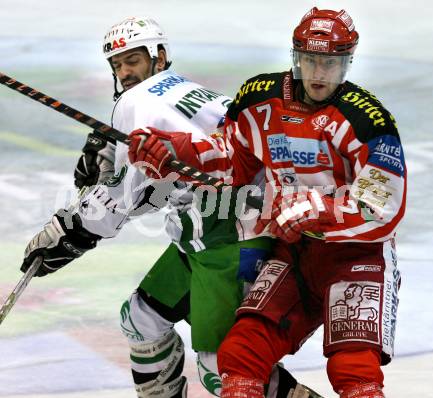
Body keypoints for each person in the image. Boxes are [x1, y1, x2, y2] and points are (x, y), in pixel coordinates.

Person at [20, 16, 320, 398]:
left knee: (223, 368)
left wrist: (66, 232)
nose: (125, 72)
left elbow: (126, 196)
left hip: (228, 238)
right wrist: (114, 150)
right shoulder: (184, 91)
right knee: (142, 320)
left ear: (159, 56)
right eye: (117, 65)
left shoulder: (135, 102)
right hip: (212, 229)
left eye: (133, 60)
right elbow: (159, 182)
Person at [126, 8, 406, 398]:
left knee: (354, 370)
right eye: (311, 60)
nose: (319, 73)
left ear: (347, 62)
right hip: (294, 252)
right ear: (296, 57)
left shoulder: (367, 120)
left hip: (357, 257)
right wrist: (175, 151)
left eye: (331, 62)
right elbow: (230, 160)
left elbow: (383, 207)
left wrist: (318, 209)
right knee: (240, 356)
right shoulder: (260, 99)